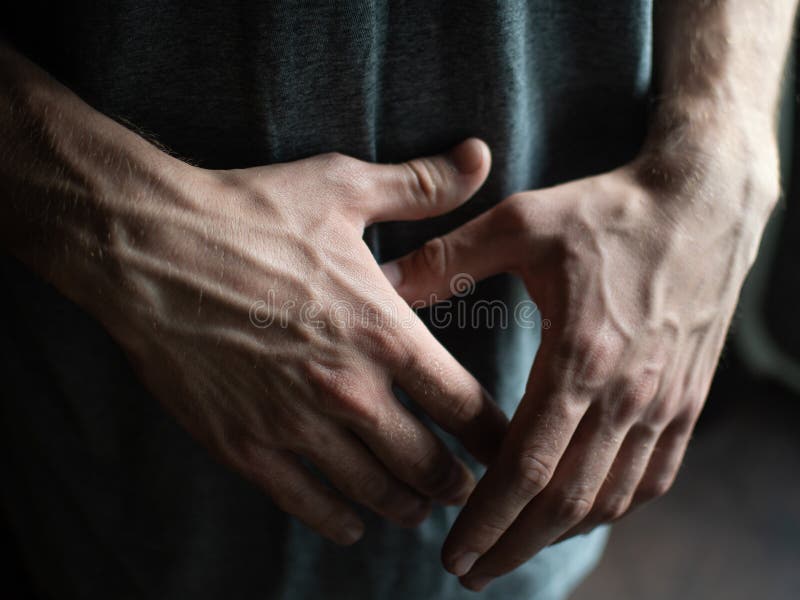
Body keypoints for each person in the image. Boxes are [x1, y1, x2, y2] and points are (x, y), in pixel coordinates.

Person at [0, 1, 795, 598]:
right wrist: (113, 219)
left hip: (550, 396)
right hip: (107, 447)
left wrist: (723, 148)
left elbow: (725, 131)